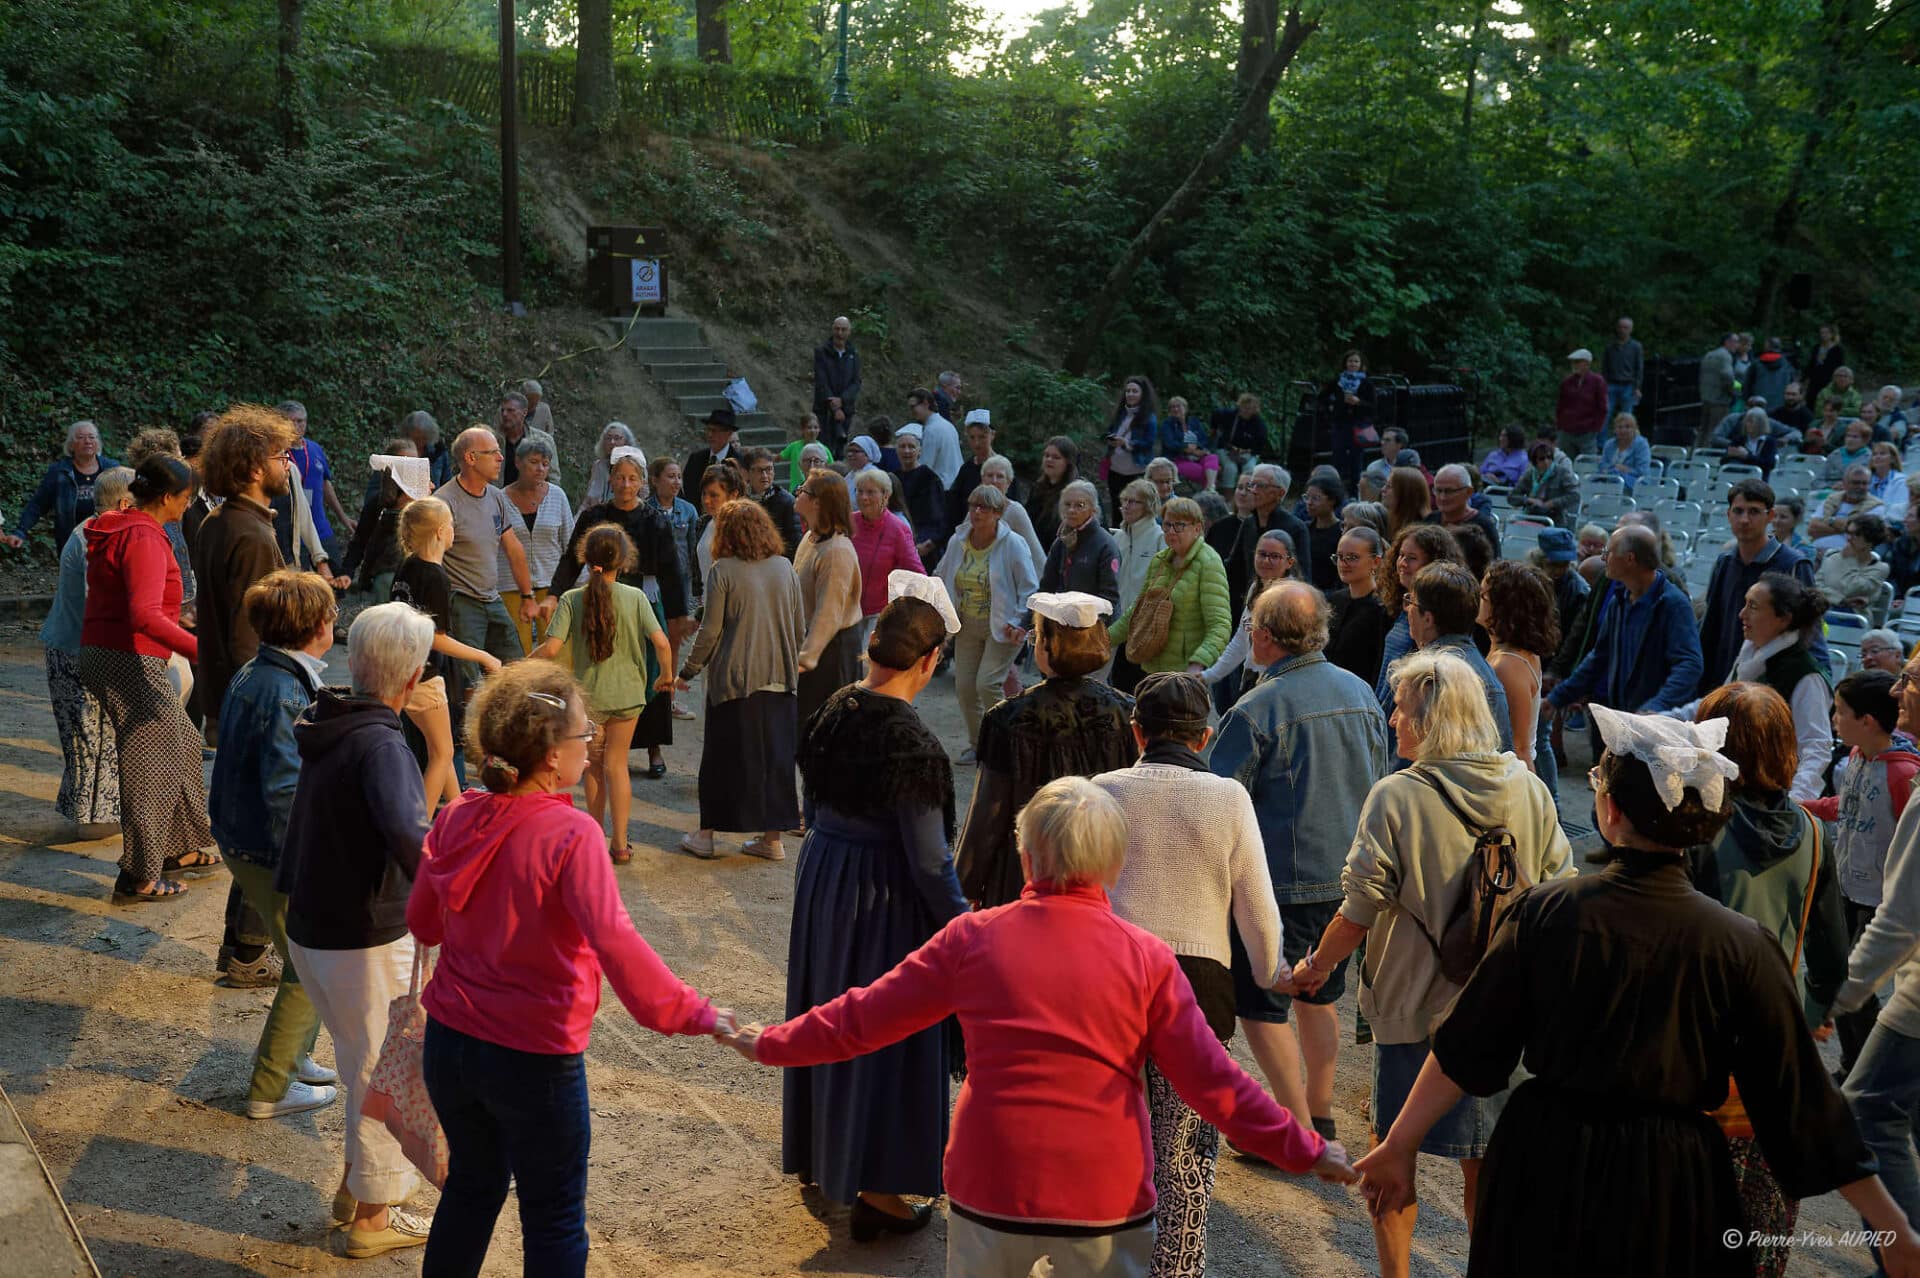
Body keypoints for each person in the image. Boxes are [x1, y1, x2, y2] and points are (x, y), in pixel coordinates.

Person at [1356, 704, 1920, 1278]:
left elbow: (1466, 1046)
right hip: (1672, 1180)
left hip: (1545, 1161)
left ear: (1609, 810)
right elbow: (1802, 1101)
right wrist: (1891, 1226)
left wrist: (1400, 1144)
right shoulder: (1742, 946)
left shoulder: (1547, 913)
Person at [728, 774, 1355, 1272]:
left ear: (1027, 857)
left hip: (990, 1180)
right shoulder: (1148, 959)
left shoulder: (971, 939)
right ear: (1113, 865)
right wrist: (1306, 1148)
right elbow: (1217, 1086)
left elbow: (862, 1017)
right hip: (1105, 1193)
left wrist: (771, 1041)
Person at [406, 660, 732, 1274]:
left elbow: (423, 924)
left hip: (451, 1045)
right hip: (534, 1056)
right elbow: (617, 941)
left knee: (471, 1190)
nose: (593, 743)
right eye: (584, 735)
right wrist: (696, 1013)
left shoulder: (455, 818)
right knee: (553, 1219)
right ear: (551, 755)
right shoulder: (572, 833)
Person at [1297, 647, 1571, 1278]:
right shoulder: (1527, 787)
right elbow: (1559, 885)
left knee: (1392, 1160)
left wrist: (1315, 969)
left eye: (1400, 710)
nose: (1393, 721)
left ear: (1430, 719)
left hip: (1409, 1010)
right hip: (1504, 1011)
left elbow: (1359, 908)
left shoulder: (1397, 795)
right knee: (1488, 1167)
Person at [774, 589, 971, 1239]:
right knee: (883, 1026)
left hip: (824, 875)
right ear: (931, 660)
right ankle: (878, 1188)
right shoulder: (913, 743)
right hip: (878, 898)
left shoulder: (833, 706)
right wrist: (965, 927)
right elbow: (928, 861)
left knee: (825, 1010)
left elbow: (809, 801)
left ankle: (819, 1158)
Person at [1091, 673, 1284, 1277]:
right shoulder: (1227, 798)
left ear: (1137, 731)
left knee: (1105, 1139)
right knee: (1185, 1153)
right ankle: (1176, 1270)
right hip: (1200, 991)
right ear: (1204, 737)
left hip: (1109, 981)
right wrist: (1268, 969)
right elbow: (1257, 906)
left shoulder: (1100, 791)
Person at [262, 603, 435, 1255]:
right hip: (360, 935)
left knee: (364, 1060)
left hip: (314, 924)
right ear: (414, 677)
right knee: (383, 1071)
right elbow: (404, 835)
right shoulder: (383, 741)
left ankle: (353, 1189)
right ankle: (372, 1219)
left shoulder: (329, 717)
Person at [1211, 582, 1387, 1140]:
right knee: (1319, 993)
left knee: (1262, 1007)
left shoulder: (1258, 706)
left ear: (1262, 637)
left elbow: (1220, 796)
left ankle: (1291, 1127)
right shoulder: (1361, 691)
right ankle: (1319, 1110)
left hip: (1280, 882)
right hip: (1347, 877)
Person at [1686, 683, 1851, 1277]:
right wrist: (1798, 1020)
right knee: (1754, 1239)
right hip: (1773, 1074)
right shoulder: (1813, 835)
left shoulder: (1700, 827)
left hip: (1693, 1066)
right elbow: (1834, 964)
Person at [208, 569, 342, 1123]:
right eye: (333, 615)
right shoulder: (287, 690)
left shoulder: (258, 671)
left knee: (304, 958)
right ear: (315, 627)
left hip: (244, 838)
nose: (336, 622)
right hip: (271, 847)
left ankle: (296, 1055)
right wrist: (314, 861)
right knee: (314, 966)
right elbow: (286, 790)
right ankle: (272, 1085)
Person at [79, 456, 213, 904]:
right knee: (150, 766)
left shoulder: (119, 522)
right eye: (186, 497)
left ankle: (180, 846)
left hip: (107, 650)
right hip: (129, 658)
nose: (188, 504)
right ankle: (140, 875)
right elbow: (143, 615)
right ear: (167, 498)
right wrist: (202, 650)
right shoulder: (143, 536)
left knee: (185, 742)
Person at [954, 591, 1136, 908]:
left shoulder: (1009, 717)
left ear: (1048, 646)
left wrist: (965, 884)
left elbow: (989, 814)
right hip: (1101, 872)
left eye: (1038, 636)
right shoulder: (1126, 712)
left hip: (1026, 872)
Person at [532, 526, 675, 865]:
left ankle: (594, 838)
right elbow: (662, 643)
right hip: (628, 695)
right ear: (624, 560)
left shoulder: (571, 599)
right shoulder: (635, 597)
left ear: (586, 557)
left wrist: (521, 666)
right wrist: (666, 677)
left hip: (589, 700)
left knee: (594, 768)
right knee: (617, 765)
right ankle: (621, 844)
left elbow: (551, 648)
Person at [674, 500, 805, 859]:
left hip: (735, 681)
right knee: (776, 761)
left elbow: (710, 631)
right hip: (780, 679)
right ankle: (772, 838)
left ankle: (706, 835)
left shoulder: (723, 570)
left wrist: (688, 670)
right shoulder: (785, 567)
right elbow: (799, 627)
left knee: (722, 759)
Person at [554, 448, 690, 780]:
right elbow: (572, 558)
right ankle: (597, 742)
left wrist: (677, 616)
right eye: (620, 477)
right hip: (599, 594)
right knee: (599, 665)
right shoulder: (594, 517)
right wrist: (553, 595)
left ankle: (653, 746)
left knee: (649, 668)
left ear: (642, 483)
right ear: (610, 478)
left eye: (632, 478)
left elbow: (672, 569)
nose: (625, 484)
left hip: (642, 596)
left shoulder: (655, 519)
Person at [390, 498, 501, 808]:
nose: (455, 529)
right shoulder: (435, 577)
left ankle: (458, 811)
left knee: (441, 748)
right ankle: (419, 830)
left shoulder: (407, 566)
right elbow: (436, 638)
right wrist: (483, 656)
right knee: (443, 754)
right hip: (423, 674)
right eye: (451, 523)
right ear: (440, 532)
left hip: (404, 670)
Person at [41, 464, 132, 831]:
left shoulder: (94, 531)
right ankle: (93, 820)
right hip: (78, 650)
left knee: (98, 736)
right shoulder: (95, 537)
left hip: (78, 646)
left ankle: (97, 816)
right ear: (125, 504)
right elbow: (101, 604)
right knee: (89, 738)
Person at [1546, 524, 1703, 719]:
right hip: (1616, 713)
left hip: (1653, 723)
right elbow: (1599, 657)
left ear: (1630, 559)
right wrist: (1558, 697)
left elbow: (1690, 664)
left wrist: (1657, 706)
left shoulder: (1673, 604)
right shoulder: (1619, 600)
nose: (1603, 558)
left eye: (1608, 552)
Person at [936, 484, 1040, 758]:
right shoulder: (958, 540)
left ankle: (1008, 743)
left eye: (984, 507)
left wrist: (1019, 621)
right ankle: (978, 744)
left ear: (998, 513)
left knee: (987, 684)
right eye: (973, 506)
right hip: (967, 624)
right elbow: (942, 573)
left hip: (1004, 627)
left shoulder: (1013, 543)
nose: (977, 512)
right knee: (965, 688)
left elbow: (1030, 587)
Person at [432, 427, 537, 674]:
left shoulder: (496, 497)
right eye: (493, 453)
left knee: (517, 670)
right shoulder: (444, 502)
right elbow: (431, 558)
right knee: (469, 680)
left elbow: (513, 547)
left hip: (493, 598)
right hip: (462, 601)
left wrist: (527, 596)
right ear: (471, 458)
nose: (501, 458)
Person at [1108, 495, 1232, 696]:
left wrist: (1197, 664)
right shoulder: (1160, 560)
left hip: (1185, 676)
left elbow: (1220, 624)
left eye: (1179, 526)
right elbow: (1137, 611)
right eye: (1166, 525)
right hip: (1152, 668)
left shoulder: (1209, 563)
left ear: (1197, 528)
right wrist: (1104, 639)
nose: (1171, 532)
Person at [792, 472, 864, 730]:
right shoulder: (811, 539)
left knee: (828, 727)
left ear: (818, 502)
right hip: (814, 642)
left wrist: (806, 658)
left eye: (803, 490)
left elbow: (829, 613)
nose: (797, 492)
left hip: (832, 649)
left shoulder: (836, 551)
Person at [1373, 524, 1465, 721]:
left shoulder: (1437, 618)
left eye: (1412, 558)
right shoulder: (1399, 608)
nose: (1402, 563)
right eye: (1401, 555)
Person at [1478, 560, 1559, 776]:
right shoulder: (1516, 654)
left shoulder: (1507, 665)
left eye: (1483, 596)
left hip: (1504, 778)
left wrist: (1530, 803)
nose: (1478, 600)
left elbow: (1519, 747)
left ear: (1502, 608)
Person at [498, 432, 572, 658]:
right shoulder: (499, 498)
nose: (540, 468)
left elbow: (570, 544)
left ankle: (557, 694)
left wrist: (577, 588)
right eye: (533, 462)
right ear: (518, 462)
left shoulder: (557, 496)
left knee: (558, 653)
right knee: (517, 655)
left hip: (552, 586)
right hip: (510, 586)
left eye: (545, 464)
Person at [6, 420, 120, 552]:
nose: (87, 441)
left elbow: (127, 502)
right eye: (81, 437)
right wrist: (20, 531)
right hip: (71, 542)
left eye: (92, 437)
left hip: (106, 541)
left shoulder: (112, 469)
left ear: (98, 443)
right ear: (71, 445)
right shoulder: (59, 472)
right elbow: (38, 504)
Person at [849, 465, 922, 643]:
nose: (864, 497)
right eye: (860, 491)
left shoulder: (898, 529)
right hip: (848, 610)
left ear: (886, 496)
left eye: (871, 492)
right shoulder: (849, 522)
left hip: (880, 612)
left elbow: (916, 571)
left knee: (868, 663)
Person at [341, 449, 423, 602]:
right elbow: (363, 540)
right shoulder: (381, 508)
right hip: (389, 579)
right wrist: (349, 571)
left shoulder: (426, 506)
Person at [280, 400, 355, 565]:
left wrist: (343, 518)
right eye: (291, 421)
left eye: (301, 421)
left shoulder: (314, 449)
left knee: (336, 582)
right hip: (294, 535)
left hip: (322, 530)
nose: (297, 426)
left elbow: (326, 485)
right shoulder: (276, 454)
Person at [1032, 479, 1120, 617]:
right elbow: (1046, 589)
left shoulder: (1105, 545)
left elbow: (1109, 599)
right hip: (1063, 624)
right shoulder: (1060, 542)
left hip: (1094, 629)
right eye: (1067, 504)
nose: (1072, 510)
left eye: (1080, 505)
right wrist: (1025, 625)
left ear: (1093, 509)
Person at [1326, 526, 1389, 687]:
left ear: (1375, 562)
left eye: (1352, 557)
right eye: (1339, 557)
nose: (1343, 563)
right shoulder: (1334, 600)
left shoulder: (1383, 610)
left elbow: (1378, 667)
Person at [979, 454, 1048, 573]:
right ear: (982, 480)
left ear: (1008, 483)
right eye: (990, 475)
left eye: (1000, 476)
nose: (994, 481)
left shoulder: (1016, 511)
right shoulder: (976, 509)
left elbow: (1035, 552)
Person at [1102, 374, 1161, 510]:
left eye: (1135, 391)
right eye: (1128, 391)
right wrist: (1110, 439)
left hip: (1136, 471)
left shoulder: (1149, 418)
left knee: (1134, 509)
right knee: (1117, 508)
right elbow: (1109, 431)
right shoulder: (1120, 414)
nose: (1130, 394)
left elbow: (1148, 443)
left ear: (1142, 394)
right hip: (1115, 469)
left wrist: (1126, 443)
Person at [892, 431, 948, 568]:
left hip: (922, 546)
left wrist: (929, 542)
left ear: (919, 451)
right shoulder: (893, 477)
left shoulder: (929, 478)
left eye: (911, 447)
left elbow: (938, 516)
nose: (907, 451)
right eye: (902, 446)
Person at [1819, 514, 1893, 613]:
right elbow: (1816, 586)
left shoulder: (1879, 568)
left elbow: (1852, 588)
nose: (1849, 539)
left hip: (1854, 619)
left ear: (1870, 540)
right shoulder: (1833, 557)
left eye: (1856, 535)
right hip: (1824, 612)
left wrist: (1850, 560)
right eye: (1848, 533)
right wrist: (1842, 600)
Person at [1324, 349, 1376, 487]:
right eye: (1350, 361)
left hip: (1358, 425)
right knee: (1337, 457)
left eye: (1356, 361)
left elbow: (1373, 406)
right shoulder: (1337, 381)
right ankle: (1335, 489)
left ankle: (1354, 491)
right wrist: (1331, 410)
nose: (1353, 364)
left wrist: (1358, 402)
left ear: (1361, 364)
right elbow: (1323, 397)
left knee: (1356, 459)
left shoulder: (1366, 383)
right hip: (1340, 423)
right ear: (1345, 363)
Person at [741, 445, 803, 557]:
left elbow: (794, 543)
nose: (765, 475)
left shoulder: (786, 501)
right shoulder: (741, 501)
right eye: (759, 470)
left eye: (769, 469)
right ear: (747, 473)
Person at [1023, 435, 1083, 549]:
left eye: (1056, 457)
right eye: (1046, 455)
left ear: (1068, 462)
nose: (1049, 460)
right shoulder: (1037, 489)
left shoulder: (1077, 493)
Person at [812, 315, 862, 450]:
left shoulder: (854, 354)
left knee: (840, 448)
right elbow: (821, 380)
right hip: (824, 409)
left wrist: (843, 400)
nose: (840, 333)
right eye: (837, 329)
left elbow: (856, 382)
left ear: (849, 332)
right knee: (822, 448)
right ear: (832, 330)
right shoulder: (822, 352)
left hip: (846, 410)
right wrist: (834, 406)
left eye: (843, 330)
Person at [1422, 464, 1500, 548]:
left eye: (1449, 491)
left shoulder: (1484, 526)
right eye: (1438, 490)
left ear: (1469, 492)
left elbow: (1494, 560)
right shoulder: (1430, 521)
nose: (1442, 497)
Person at [903, 387, 962, 490]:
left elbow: (925, 465)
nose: (911, 411)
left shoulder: (931, 430)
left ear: (926, 403)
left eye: (913, 407)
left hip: (942, 488)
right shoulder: (948, 425)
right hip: (955, 485)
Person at [1511, 437, 1579, 526]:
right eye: (1542, 458)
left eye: (1549, 457)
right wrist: (1529, 500)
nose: (1546, 461)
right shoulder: (1530, 474)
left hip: (1555, 520)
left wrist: (1552, 503)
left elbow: (1575, 495)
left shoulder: (1562, 473)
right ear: (1534, 460)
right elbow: (1512, 497)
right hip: (1531, 517)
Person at [1556, 348, 1610, 455]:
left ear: (1587, 363)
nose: (1574, 365)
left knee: (1587, 464)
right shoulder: (1567, 382)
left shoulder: (1597, 382)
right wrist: (1560, 425)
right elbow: (1560, 405)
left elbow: (1602, 407)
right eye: (1573, 362)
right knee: (1566, 463)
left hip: (1587, 432)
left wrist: (1595, 428)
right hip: (1567, 431)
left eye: (1577, 362)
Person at [1214, 392, 1269, 492]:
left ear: (1255, 409)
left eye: (1249, 408)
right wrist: (1213, 430)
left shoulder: (1259, 424)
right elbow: (1215, 415)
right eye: (1244, 407)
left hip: (1248, 452)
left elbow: (1260, 444)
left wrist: (1246, 452)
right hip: (1226, 449)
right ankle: (1228, 497)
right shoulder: (1230, 415)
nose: (1245, 411)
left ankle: (1245, 494)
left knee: (1249, 469)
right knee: (1230, 468)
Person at [1163, 395, 1221, 490]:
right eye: (1173, 407)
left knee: (1212, 457)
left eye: (1178, 406)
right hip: (1178, 458)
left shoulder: (1194, 422)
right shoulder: (1167, 424)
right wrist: (1187, 449)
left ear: (1185, 408)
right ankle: (1210, 493)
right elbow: (1169, 443)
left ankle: (1210, 488)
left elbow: (1204, 440)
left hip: (1198, 456)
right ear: (1170, 411)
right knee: (1204, 471)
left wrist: (1199, 448)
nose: (1176, 409)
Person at [1302, 473, 1346, 591]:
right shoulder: (1304, 530)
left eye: (1315, 498)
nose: (1309, 503)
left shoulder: (1342, 532)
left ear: (1332, 500)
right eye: (1307, 497)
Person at [683, 407, 739, 498]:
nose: (710, 434)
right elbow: (688, 488)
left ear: (728, 433)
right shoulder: (696, 459)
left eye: (714, 431)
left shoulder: (739, 462)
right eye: (708, 430)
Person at [1699, 331, 1741, 447]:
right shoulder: (1726, 356)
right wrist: (1734, 392)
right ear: (1727, 342)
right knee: (1716, 430)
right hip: (1720, 400)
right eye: (1736, 342)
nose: (1737, 345)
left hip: (1706, 397)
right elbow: (1728, 376)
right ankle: (1708, 456)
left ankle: (1695, 455)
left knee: (1703, 430)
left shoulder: (1709, 354)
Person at [1601, 316, 1644, 421]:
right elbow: (1605, 367)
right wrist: (1603, 384)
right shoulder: (1610, 347)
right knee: (1605, 413)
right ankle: (1602, 438)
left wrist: (1637, 387)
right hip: (1611, 384)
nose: (1622, 330)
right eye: (1620, 327)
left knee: (1626, 416)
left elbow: (1639, 368)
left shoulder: (1636, 346)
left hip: (1628, 385)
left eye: (1625, 327)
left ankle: (1624, 437)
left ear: (1631, 329)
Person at [583, 422, 634, 508]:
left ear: (626, 442)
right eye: (608, 438)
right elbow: (590, 499)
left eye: (617, 438)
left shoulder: (635, 467)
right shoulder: (599, 466)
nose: (612, 442)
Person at [1599, 412, 1651, 492]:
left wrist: (1626, 470)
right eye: (1619, 427)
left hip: (1636, 482)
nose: (1623, 430)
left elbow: (1642, 471)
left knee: (1616, 477)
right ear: (1615, 430)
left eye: (1627, 427)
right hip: (1611, 478)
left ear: (1634, 429)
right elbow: (1602, 465)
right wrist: (1611, 469)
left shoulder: (1641, 444)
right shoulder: (1609, 444)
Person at [1871, 441, 1910, 522]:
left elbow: (1898, 512)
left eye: (1882, 454)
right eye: (1875, 454)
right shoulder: (1865, 480)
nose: (1877, 457)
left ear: (1893, 459)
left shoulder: (1901, 481)